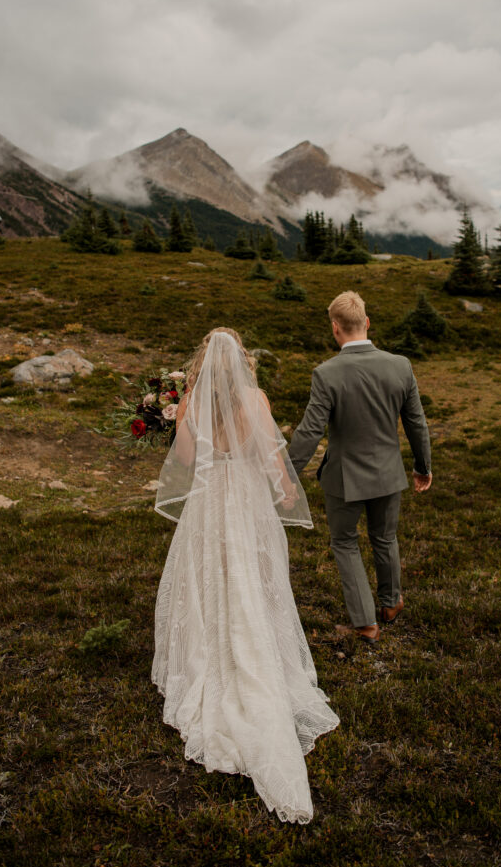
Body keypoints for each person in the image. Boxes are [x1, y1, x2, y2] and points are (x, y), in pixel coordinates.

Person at [152, 328, 339, 823]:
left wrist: (181, 414)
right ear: (242, 361)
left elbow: (189, 461)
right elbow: (270, 455)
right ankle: (255, 650)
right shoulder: (256, 398)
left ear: (203, 363)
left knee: (208, 575)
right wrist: (284, 490)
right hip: (247, 499)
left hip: (210, 502)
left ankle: (210, 653)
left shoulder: (191, 400)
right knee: (253, 576)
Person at [287, 291, 432, 644]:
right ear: (366, 322)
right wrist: (422, 466)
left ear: (335, 329)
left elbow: (310, 430)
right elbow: (416, 422)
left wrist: (287, 471)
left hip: (344, 478)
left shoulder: (326, 373)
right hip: (388, 472)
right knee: (385, 537)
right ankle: (391, 602)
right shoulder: (401, 365)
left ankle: (366, 623)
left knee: (345, 543)